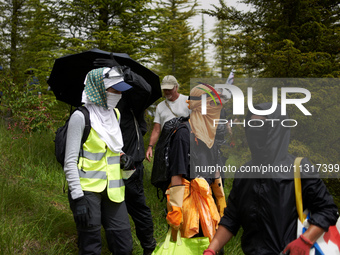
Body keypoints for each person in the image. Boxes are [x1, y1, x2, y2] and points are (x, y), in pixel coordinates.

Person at [203, 103, 339, 255]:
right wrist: (211, 250)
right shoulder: (245, 173)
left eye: (262, 124)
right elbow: (231, 218)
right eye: (252, 124)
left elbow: (327, 210)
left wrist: (306, 240)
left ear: (277, 129)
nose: (256, 130)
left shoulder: (299, 169)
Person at [64, 67, 135, 255]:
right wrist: (78, 198)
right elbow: (70, 161)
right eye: (115, 90)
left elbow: (112, 149)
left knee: (124, 246)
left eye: (121, 90)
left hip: (114, 190)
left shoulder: (115, 115)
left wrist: (123, 158)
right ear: (99, 88)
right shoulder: (80, 117)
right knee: (91, 246)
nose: (119, 95)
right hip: (87, 191)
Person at [93, 56, 157, 255]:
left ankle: (148, 247)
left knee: (136, 206)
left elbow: (147, 90)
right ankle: (116, 245)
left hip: (130, 163)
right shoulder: (95, 101)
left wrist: (124, 72)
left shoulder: (129, 97)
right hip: (105, 164)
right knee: (109, 205)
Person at [165, 85, 226, 246]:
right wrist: (176, 209)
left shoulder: (208, 132)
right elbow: (177, 174)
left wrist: (221, 199)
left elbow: (215, 167)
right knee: (193, 245)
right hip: (189, 204)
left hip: (207, 200)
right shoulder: (183, 134)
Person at [146, 75, 190, 161]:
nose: (166, 92)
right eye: (164, 89)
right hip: (167, 146)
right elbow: (156, 130)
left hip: (185, 144)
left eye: (169, 89)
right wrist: (150, 146)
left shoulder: (187, 101)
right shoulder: (160, 106)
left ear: (176, 87)